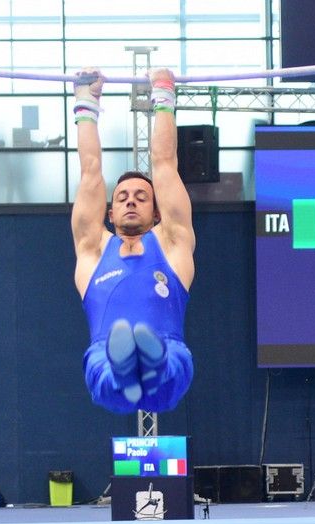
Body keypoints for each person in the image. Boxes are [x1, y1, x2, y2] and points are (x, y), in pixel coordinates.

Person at [71, 67, 195, 413]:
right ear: (109, 213)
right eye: (122, 197)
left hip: (168, 349)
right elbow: (90, 170)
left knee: (167, 370)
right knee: (107, 375)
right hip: (105, 354)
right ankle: (128, 367)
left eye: (141, 197)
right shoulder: (93, 249)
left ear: (157, 213)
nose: (130, 201)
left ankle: (144, 365)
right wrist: (85, 102)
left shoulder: (171, 243)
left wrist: (164, 94)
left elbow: (165, 163)